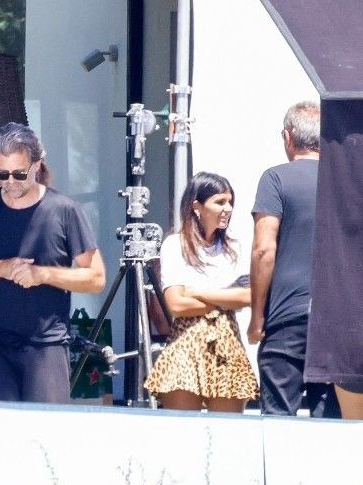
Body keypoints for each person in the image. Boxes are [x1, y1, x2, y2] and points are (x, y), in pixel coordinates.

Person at [0, 122, 105, 404]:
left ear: (36, 166)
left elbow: (96, 278)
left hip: (47, 347)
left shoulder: (64, 210)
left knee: (45, 429)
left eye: (19, 173)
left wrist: (42, 274)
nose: (10, 181)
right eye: (2, 173)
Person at [248, 101, 338, 417]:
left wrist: (257, 317)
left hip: (286, 316)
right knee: (330, 421)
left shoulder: (275, 178)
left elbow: (263, 249)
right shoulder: (344, 179)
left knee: (278, 422)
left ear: (288, 137)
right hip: (335, 321)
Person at [144, 172, 258, 412]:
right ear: (197, 206)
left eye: (230, 202)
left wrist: (195, 292)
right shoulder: (175, 245)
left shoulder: (234, 248)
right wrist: (225, 298)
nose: (228, 209)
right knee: (183, 428)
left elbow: (247, 296)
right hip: (186, 342)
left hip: (227, 343)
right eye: (220, 202)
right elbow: (176, 305)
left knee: (227, 428)